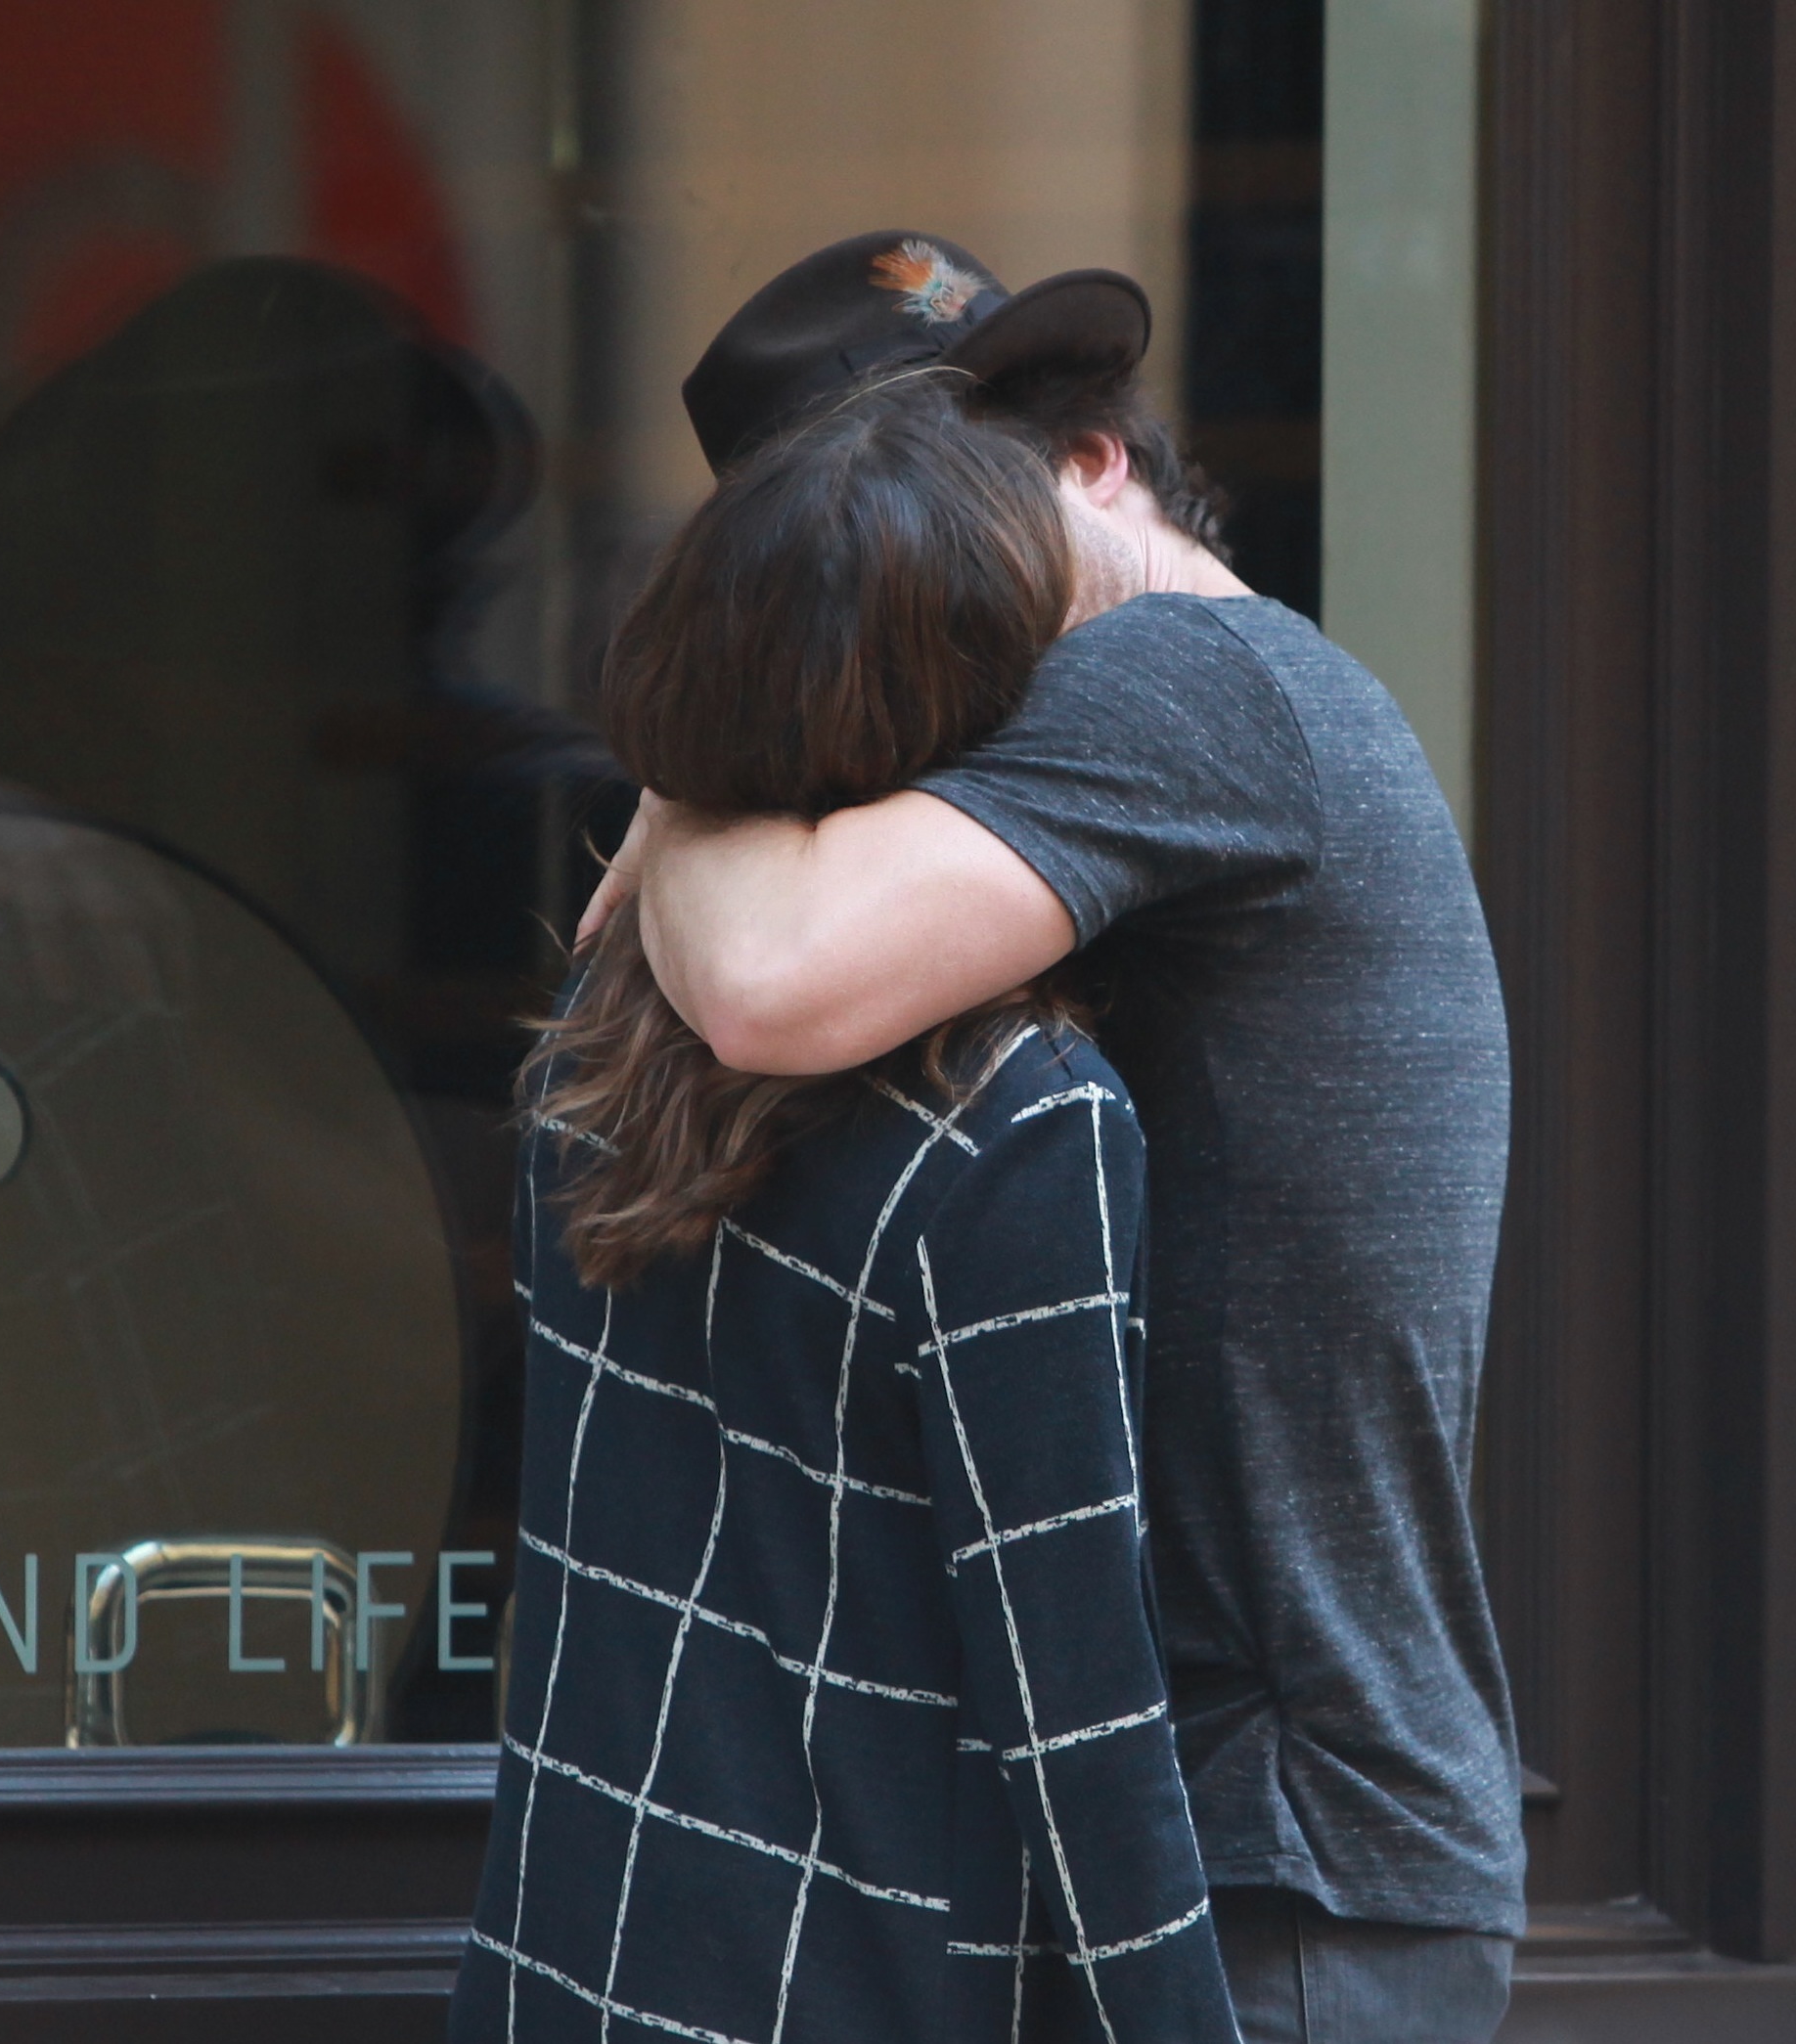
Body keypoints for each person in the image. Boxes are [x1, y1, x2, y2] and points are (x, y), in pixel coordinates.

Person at [589, 233, 1525, 2042]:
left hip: (1279, 1876)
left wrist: (687, 780)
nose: (919, 584)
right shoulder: (1177, 715)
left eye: (955, 510)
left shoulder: (1188, 676)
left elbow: (768, 979)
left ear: (1097, 462)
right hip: (1238, 1848)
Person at [451, 376, 1240, 2043]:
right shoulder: (1018, 1125)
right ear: (996, 706)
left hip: (566, 1962)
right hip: (859, 1981)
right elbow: (1081, 1718)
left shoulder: (598, 1025)